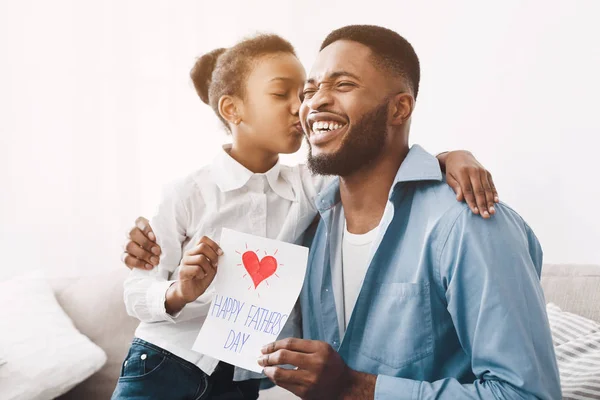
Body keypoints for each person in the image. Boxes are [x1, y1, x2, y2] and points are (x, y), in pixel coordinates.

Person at [119, 32, 503, 400]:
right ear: (232, 109)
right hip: (162, 362)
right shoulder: (186, 193)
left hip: (237, 378)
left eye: (300, 93)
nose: (301, 106)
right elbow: (137, 292)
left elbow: (379, 165)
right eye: (281, 93)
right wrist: (178, 292)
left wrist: (450, 157)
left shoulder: (308, 187)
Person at [253, 25, 561, 399]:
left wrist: (354, 388)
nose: (316, 102)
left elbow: (525, 394)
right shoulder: (310, 221)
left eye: (343, 84)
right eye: (310, 90)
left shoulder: (468, 223)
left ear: (399, 108)